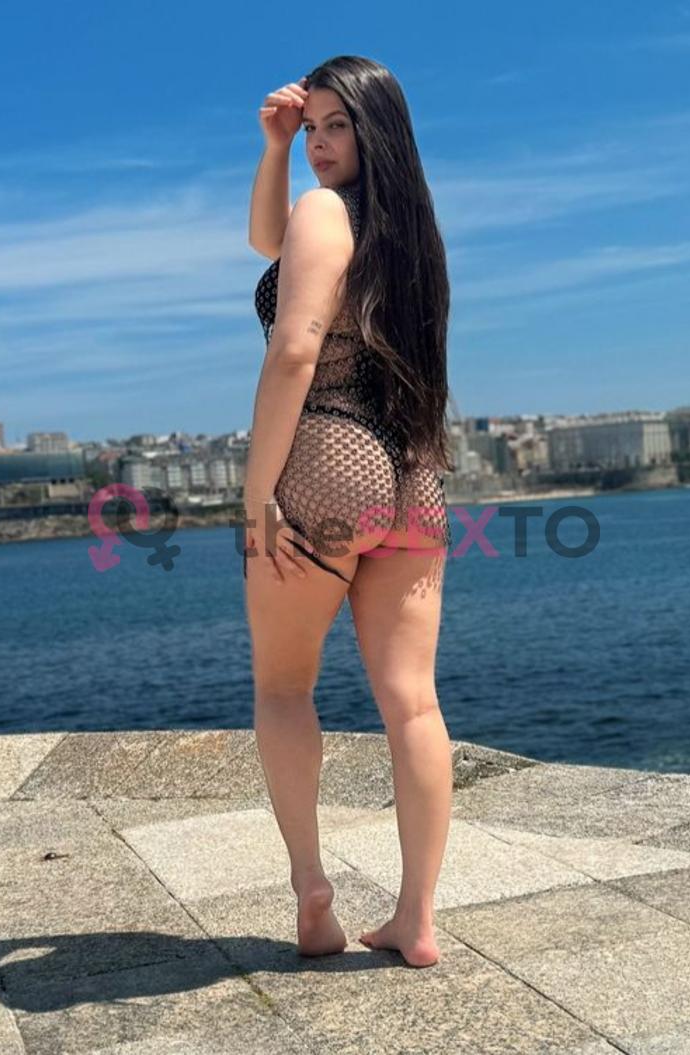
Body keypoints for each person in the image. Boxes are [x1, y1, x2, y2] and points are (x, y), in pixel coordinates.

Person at [243, 55, 455, 969]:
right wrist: (275, 147)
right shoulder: (412, 232)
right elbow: (269, 240)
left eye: (338, 126)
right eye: (314, 126)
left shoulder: (324, 212)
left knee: (284, 688)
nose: (321, 143)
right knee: (413, 702)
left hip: (328, 458)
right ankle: (416, 919)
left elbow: (295, 350)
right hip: (414, 470)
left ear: (376, 132)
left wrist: (258, 493)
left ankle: (312, 890)